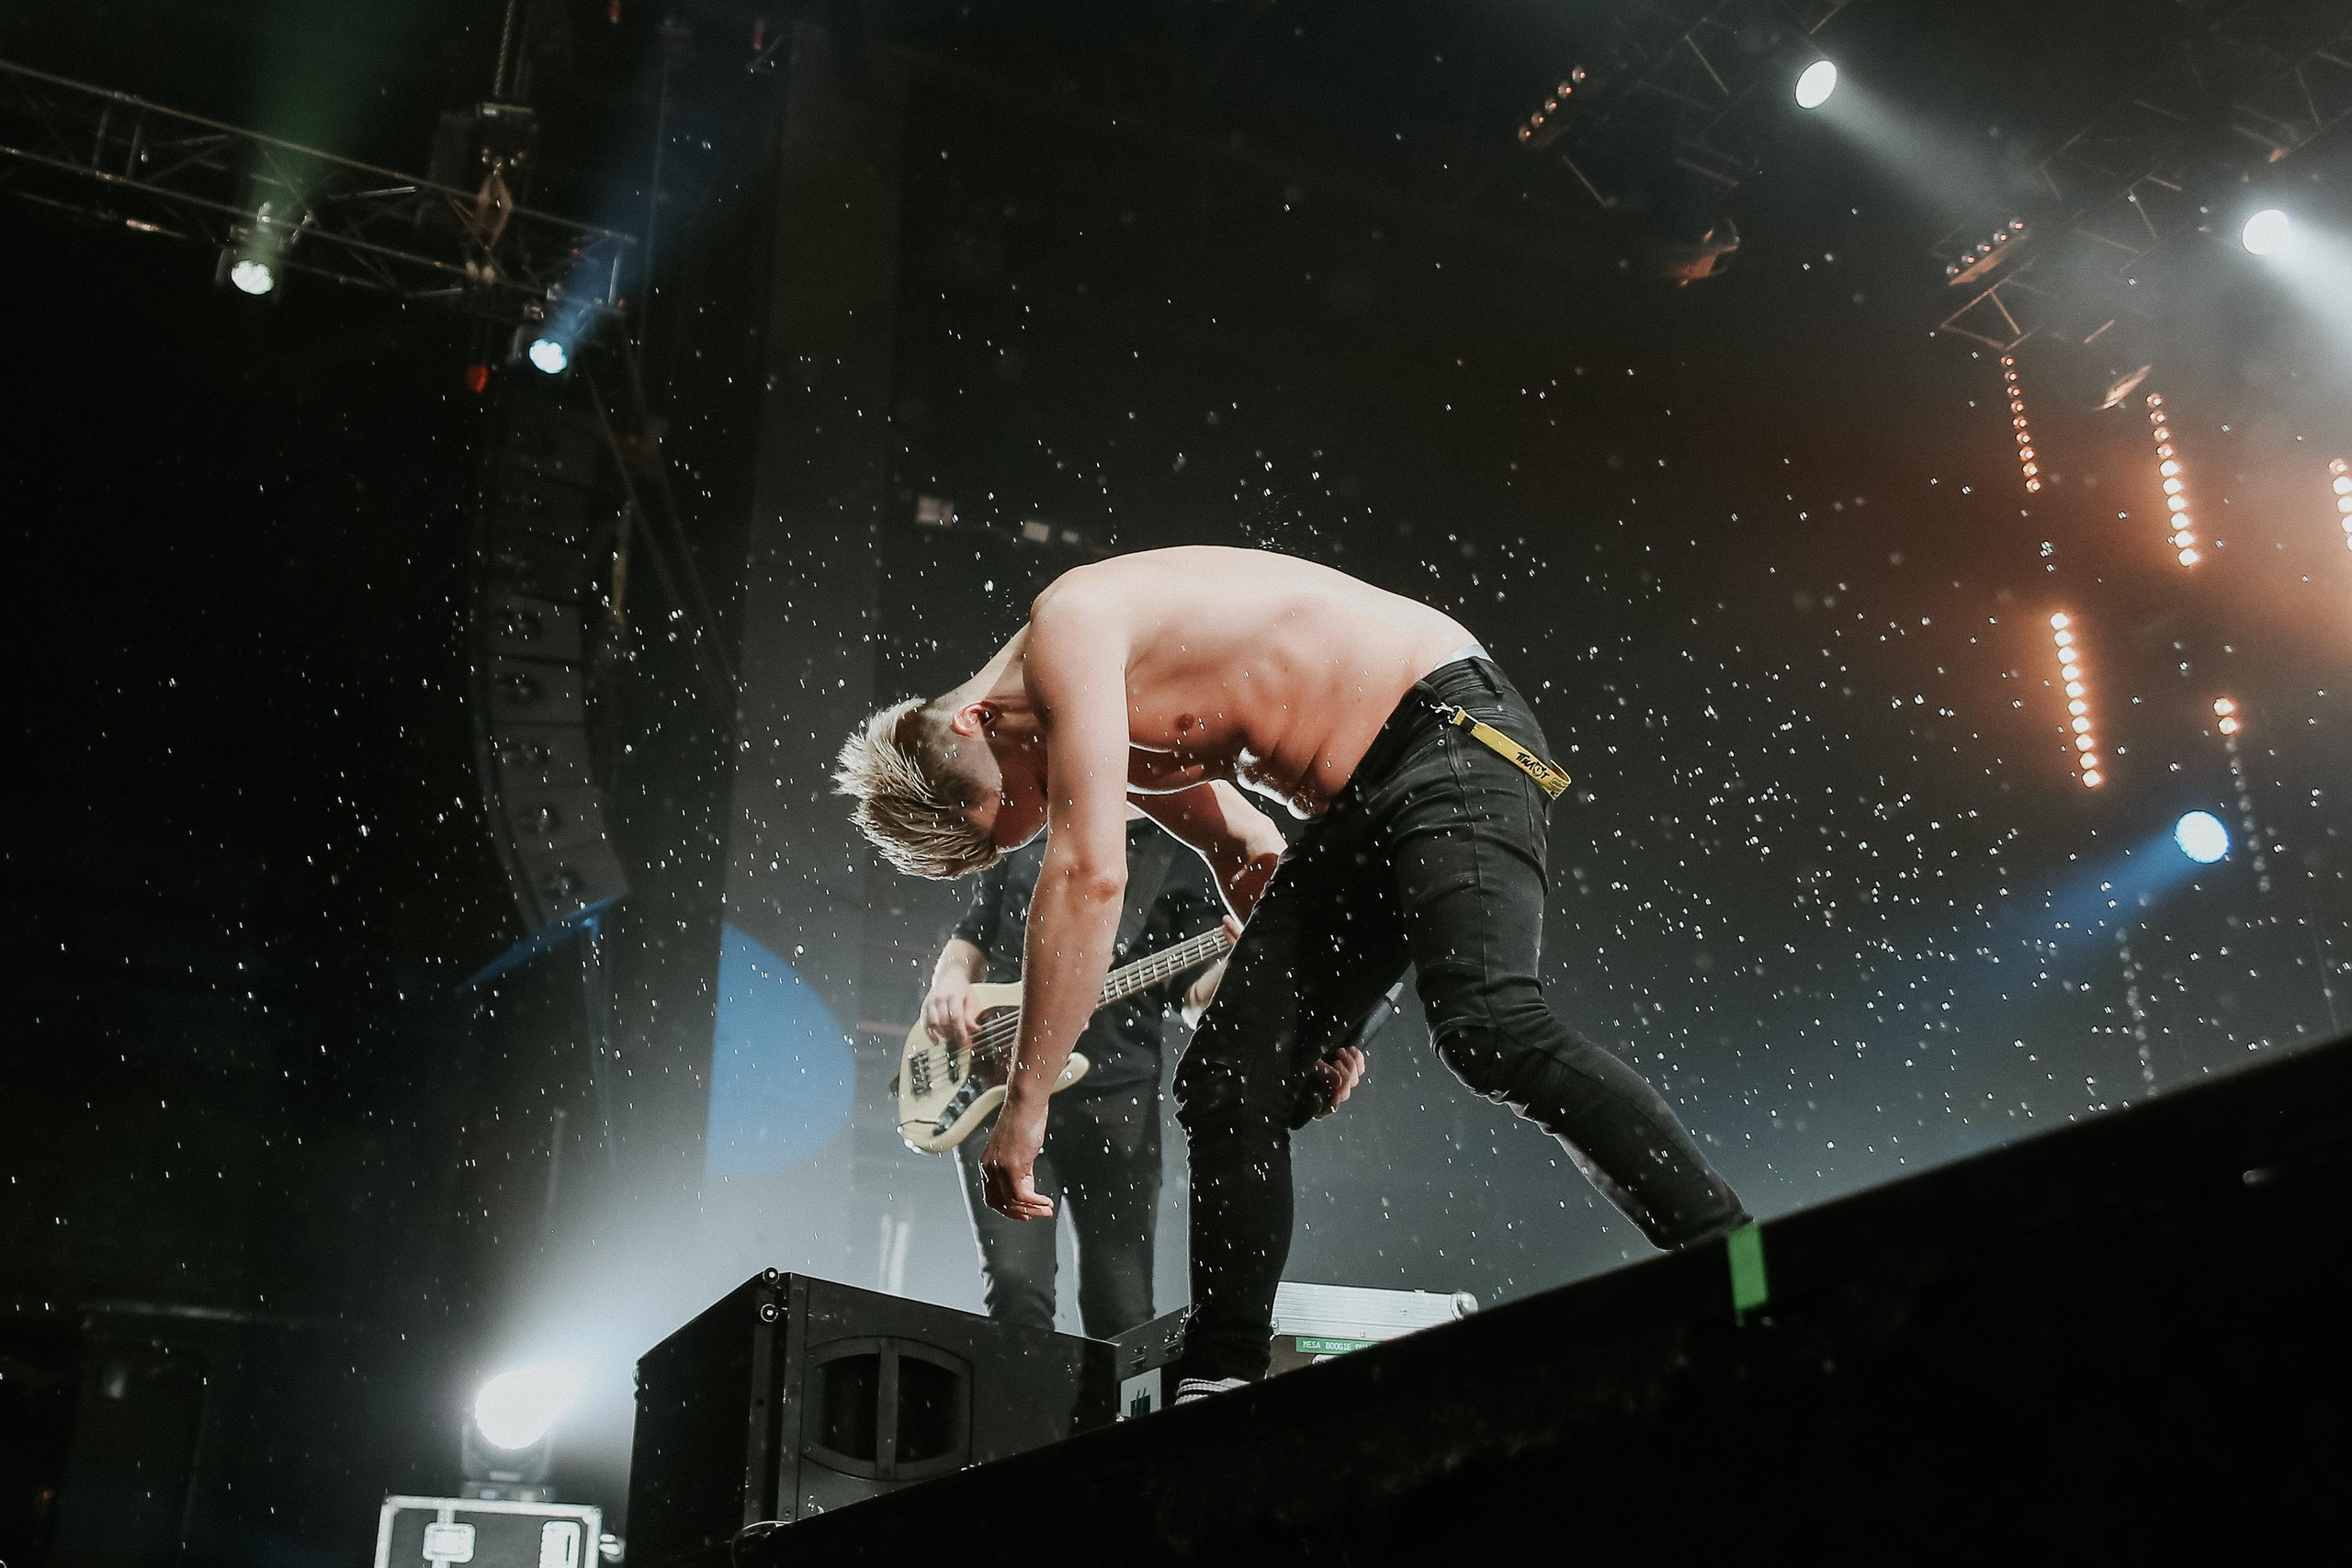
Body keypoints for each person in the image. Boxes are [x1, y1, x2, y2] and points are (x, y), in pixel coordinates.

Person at [835, 546, 1747, 1398]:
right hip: (1355, 812)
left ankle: (1740, 1265)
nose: (1045, 809)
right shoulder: (1126, 726)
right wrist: (1316, 1019)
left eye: (1023, 799)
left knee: (1487, 1027)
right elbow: (1248, 847)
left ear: (975, 720)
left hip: (1448, 733)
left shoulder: (1072, 622)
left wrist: (1024, 1107)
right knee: (1228, 1079)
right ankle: (1223, 1373)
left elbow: (1089, 877)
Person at [922, 811, 1226, 1337]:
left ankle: (1111, 1422)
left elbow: (1197, 999)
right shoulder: (1032, 820)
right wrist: (948, 981)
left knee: (1122, 1311)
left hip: (1119, 1101)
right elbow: (974, 931)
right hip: (996, 1083)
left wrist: (1241, 962)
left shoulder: (1178, 847)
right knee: (1017, 1294)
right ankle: (1027, 1420)